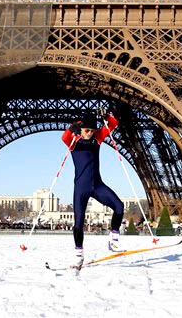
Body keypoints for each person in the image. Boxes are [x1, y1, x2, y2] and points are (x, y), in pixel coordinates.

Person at [61, 110, 124, 269]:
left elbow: (113, 124)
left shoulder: (97, 139)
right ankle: (79, 255)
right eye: (86, 130)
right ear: (81, 129)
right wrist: (74, 126)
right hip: (81, 189)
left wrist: (107, 116)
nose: (89, 133)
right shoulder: (73, 142)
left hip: (97, 185)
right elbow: (65, 137)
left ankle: (113, 240)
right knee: (78, 223)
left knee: (119, 207)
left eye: (92, 130)